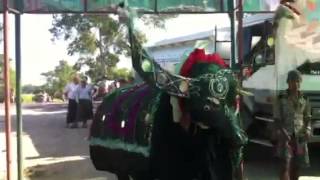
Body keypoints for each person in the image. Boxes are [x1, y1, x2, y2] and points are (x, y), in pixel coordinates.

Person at [273, 70, 311, 180]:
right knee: (285, 165)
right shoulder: (281, 98)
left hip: (300, 137)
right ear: (288, 82)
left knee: (297, 166)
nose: (296, 84)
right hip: (286, 136)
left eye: (298, 81)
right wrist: (284, 134)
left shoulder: (305, 98)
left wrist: (308, 130)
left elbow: (307, 117)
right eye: (293, 81)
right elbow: (277, 118)